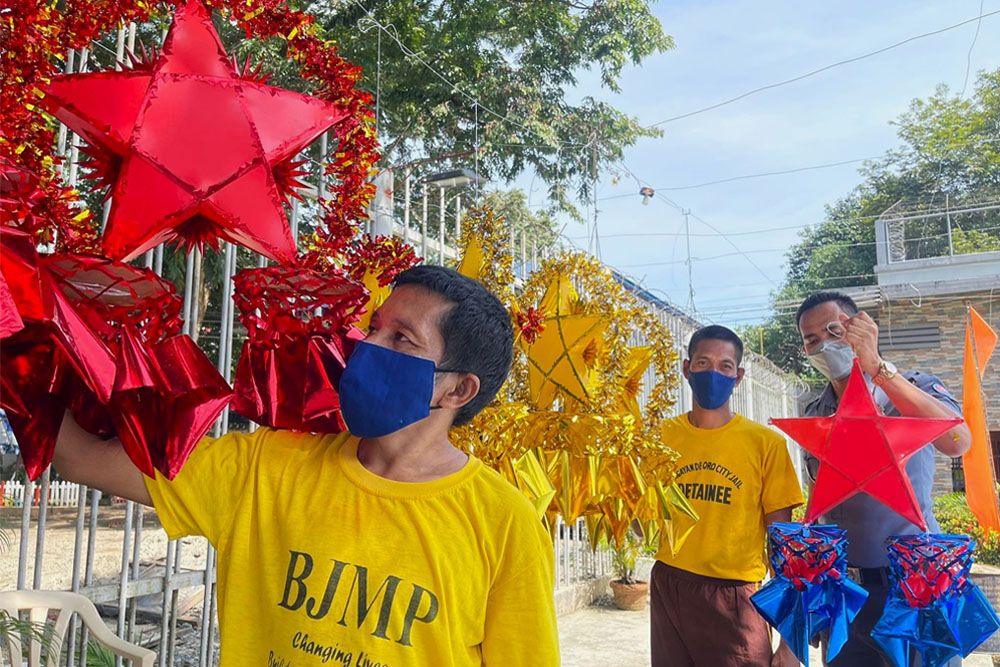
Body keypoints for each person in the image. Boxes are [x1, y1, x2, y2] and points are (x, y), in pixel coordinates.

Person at [54, 265, 560, 667]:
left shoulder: (503, 524)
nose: (365, 346)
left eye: (401, 339)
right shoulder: (262, 465)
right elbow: (78, 458)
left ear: (457, 388)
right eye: (373, 327)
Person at [796, 291, 972, 667]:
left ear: (860, 327)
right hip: (847, 594)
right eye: (811, 339)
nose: (823, 344)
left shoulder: (913, 388)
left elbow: (958, 441)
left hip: (914, 587)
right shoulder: (816, 415)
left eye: (833, 330)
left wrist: (877, 368)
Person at [651, 325, 804, 667]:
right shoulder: (660, 438)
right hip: (669, 583)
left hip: (734, 596)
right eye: (703, 363)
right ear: (686, 368)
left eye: (725, 366)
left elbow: (783, 547)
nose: (713, 373)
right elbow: (641, 522)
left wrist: (790, 641)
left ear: (739, 377)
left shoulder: (766, 444)